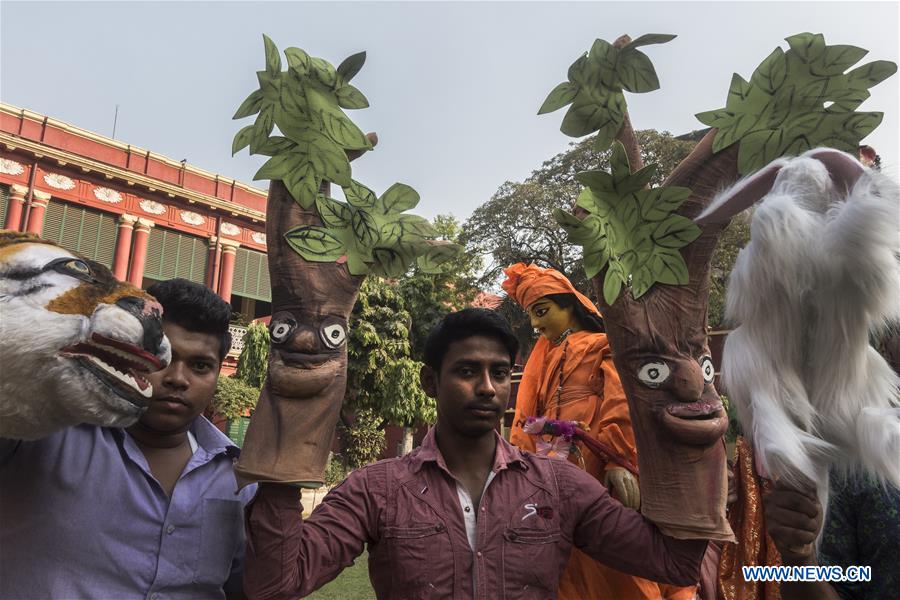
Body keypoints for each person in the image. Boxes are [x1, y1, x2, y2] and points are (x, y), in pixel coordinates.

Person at [244, 308, 708, 599]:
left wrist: (690, 438)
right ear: (431, 382)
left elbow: (673, 562)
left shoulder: (558, 486)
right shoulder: (378, 488)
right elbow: (278, 583)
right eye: (467, 371)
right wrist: (283, 451)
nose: (487, 388)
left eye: (500, 373)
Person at [0, 278, 255, 599]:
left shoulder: (237, 478)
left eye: (200, 366)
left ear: (217, 375)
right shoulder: (43, 436)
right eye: (162, 357)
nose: (177, 378)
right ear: (128, 355)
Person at [502, 262, 694, 600]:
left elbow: (621, 400)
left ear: (570, 304)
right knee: (562, 554)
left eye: (541, 311)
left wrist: (617, 459)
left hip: (596, 462)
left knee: (613, 553)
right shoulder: (541, 358)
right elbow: (528, 415)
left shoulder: (605, 344)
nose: (535, 324)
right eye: (532, 315)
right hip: (548, 470)